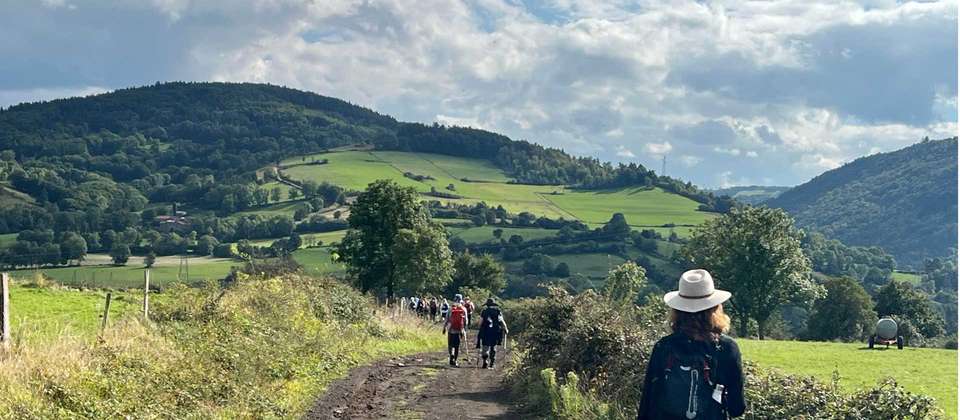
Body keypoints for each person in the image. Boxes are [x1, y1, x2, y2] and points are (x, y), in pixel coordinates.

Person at [637, 269, 745, 420]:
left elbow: (647, 403)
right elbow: (737, 408)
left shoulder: (663, 346)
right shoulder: (727, 348)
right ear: (715, 307)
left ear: (677, 310)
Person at [475, 298, 508, 369]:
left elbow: (480, 322)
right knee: (493, 346)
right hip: (495, 331)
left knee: (485, 346)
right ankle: (492, 363)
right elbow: (501, 321)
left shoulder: (484, 311)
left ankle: (485, 360)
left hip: (485, 331)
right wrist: (505, 328)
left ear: (487, 305)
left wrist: (479, 327)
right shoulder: (497, 311)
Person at [443, 296, 468, 367]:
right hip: (459, 330)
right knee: (457, 346)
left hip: (451, 330)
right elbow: (466, 321)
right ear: (461, 300)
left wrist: (444, 328)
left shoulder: (451, 308)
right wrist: (464, 329)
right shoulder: (464, 309)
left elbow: (447, 319)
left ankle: (451, 356)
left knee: (450, 345)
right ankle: (455, 360)